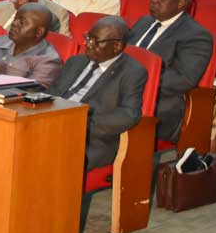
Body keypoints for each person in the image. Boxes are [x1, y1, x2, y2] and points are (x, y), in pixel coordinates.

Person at [48, 16, 146, 169]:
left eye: (95, 41)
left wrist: (82, 123)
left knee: (52, 158)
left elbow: (129, 114)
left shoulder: (132, 72)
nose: (87, 44)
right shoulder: (76, 61)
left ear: (117, 46)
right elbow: (53, 92)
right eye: (88, 38)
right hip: (52, 125)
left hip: (92, 139)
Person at [128, 0, 213, 141]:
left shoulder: (196, 36)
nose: (154, 0)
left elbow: (183, 79)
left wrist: (133, 83)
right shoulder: (144, 22)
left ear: (180, 3)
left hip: (159, 101)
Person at [0, 3, 64, 87]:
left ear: (39, 32)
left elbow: (31, 91)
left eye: (22, 22)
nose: (14, 23)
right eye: (15, 19)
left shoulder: (48, 61)